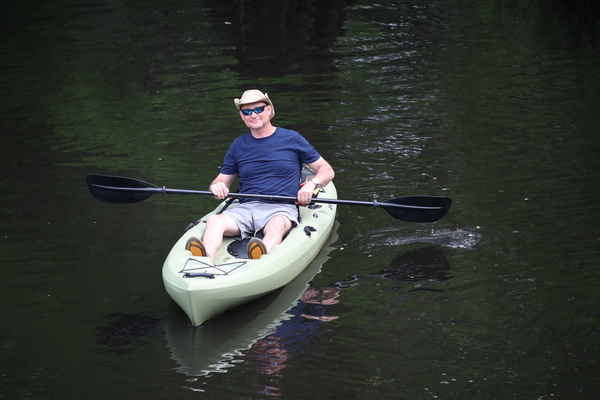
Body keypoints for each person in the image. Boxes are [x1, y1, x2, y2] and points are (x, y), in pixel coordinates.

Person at [186, 89, 334, 261]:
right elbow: (222, 180)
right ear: (242, 116)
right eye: (247, 111)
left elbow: (326, 170)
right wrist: (217, 186)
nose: (253, 115)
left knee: (277, 225)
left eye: (258, 109)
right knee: (214, 221)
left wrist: (312, 183)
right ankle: (203, 261)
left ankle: (260, 259)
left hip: (281, 208)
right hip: (245, 208)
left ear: (269, 110)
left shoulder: (292, 138)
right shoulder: (238, 145)